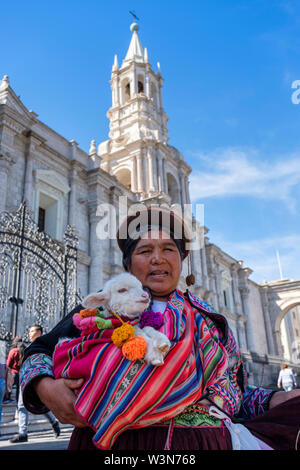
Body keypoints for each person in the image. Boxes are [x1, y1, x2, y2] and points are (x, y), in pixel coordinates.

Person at [19, 207, 300, 450]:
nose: (157, 258)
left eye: (168, 249)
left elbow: (234, 394)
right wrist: (45, 387)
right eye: (145, 250)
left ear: (181, 260)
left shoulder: (211, 321)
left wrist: (277, 398)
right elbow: (38, 350)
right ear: (128, 265)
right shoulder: (102, 310)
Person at [9, 325, 60, 443]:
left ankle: (54, 422)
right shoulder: (28, 346)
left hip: (42, 379)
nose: (30, 333)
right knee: (22, 405)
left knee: (42, 403)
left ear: (40, 332)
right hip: (26, 378)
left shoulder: (46, 344)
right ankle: (23, 433)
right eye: (29, 331)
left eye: (32, 331)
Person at [5, 337, 24, 403]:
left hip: (13, 373)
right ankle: (18, 401)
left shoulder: (13, 351)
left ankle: (6, 398)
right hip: (21, 374)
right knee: (19, 389)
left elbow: (8, 364)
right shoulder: (24, 350)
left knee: (8, 386)